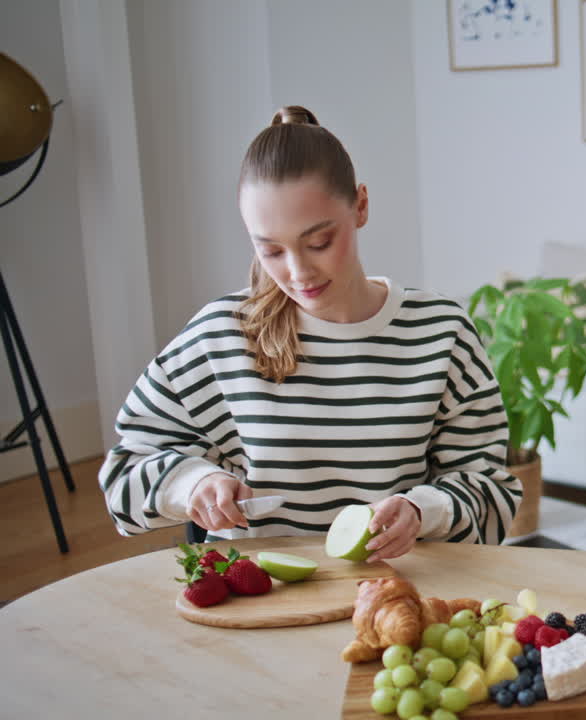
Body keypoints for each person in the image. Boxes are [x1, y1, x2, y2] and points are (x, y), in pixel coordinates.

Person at [98, 105, 519, 562]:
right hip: (257, 603)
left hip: (397, 596)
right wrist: (192, 484)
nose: (298, 273)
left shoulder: (441, 333)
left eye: (319, 242)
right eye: (271, 251)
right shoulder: (220, 337)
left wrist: (423, 511)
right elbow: (123, 476)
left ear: (360, 205)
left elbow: (492, 497)